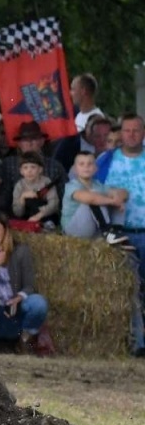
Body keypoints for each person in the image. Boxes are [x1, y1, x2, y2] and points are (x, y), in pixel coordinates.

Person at [94, 114, 145, 354]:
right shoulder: (106, 160)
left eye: (136, 130)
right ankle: (138, 344)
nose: (132, 135)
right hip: (120, 236)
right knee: (131, 290)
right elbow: (89, 189)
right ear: (120, 133)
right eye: (127, 130)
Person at [0, 213, 48, 350]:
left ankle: (25, 341)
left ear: (5, 229)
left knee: (39, 302)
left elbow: (30, 285)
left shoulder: (21, 251)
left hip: (15, 309)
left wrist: (18, 298)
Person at [62, 149, 127, 239]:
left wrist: (117, 197)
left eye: (90, 164)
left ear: (96, 168)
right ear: (75, 169)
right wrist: (112, 201)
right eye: (81, 164)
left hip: (92, 229)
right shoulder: (71, 185)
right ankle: (107, 232)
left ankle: (116, 230)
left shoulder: (98, 185)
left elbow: (124, 193)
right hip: (74, 229)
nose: (86, 167)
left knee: (114, 196)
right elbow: (90, 198)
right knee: (94, 196)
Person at [9, 152, 59, 229]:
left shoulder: (46, 182)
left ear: (40, 169)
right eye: (25, 168)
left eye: (33, 167)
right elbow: (17, 212)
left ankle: (45, 226)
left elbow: (54, 204)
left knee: (52, 218)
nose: (29, 171)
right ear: (21, 171)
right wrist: (23, 197)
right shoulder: (19, 186)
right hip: (27, 216)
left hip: (44, 214)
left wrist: (38, 216)